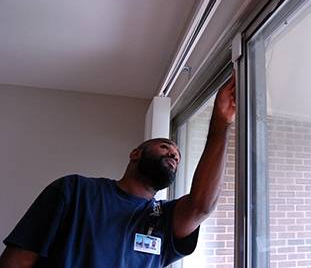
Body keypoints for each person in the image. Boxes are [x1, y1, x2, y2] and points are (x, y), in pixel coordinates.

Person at [0, 74, 236, 268]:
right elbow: (16, 262)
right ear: (135, 154)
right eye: (165, 146)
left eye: (177, 155)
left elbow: (202, 206)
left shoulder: (163, 218)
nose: (174, 154)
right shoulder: (74, 191)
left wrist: (221, 123)